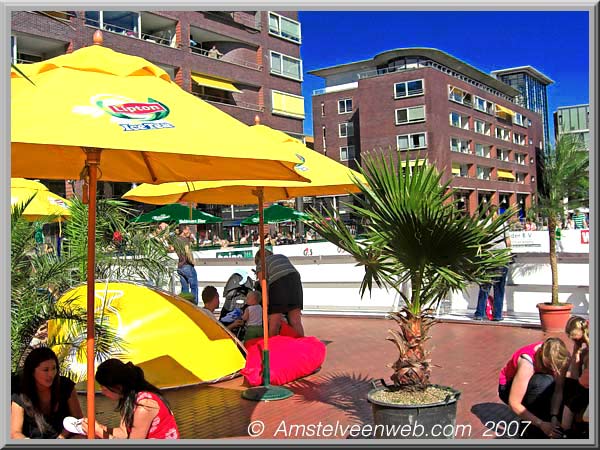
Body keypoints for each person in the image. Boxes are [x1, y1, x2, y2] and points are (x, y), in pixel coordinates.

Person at [82, 359, 179, 439]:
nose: (103, 392)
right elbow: (123, 433)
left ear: (118, 387)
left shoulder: (144, 406)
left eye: (104, 388)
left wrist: (99, 432)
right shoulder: (128, 399)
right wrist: (100, 428)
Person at [498, 337, 570, 438]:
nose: (554, 369)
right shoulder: (526, 364)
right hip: (508, 388)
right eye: (550, 366)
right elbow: (514, 403)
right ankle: (528, 428)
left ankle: (544, 419)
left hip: (534, 382)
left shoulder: (563, 358)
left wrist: (554, 415)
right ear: (542, 358)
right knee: (544, 383)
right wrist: (541, 424)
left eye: (557, 367)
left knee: (557, 385)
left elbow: (558, 390)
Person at [11, 347, 83, 439]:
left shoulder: (65, 386)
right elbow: (15, 432)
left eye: (54, 368)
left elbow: (78, 419)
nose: (51, 374)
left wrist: (62, 437)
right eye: (46, 370)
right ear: (32, 372)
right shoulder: (20, 392)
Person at [255, 248, 304, 337]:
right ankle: (301, 344)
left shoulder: (261, 263)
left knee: (275, 320)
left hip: (278, 282)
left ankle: (273, 345)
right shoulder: (281, 256)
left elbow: (264, 285)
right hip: (295, 279)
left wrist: (267, 305)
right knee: (295, 320)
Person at [474, 206, 512, 321]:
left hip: (488, 259)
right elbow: (508, 242)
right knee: (499, 289)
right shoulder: (503, 224)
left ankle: (480, 313)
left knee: (484, 287)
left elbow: (478, 241)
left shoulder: (483, 224)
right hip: (502, 259)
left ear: (487, 212)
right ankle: (497, 315)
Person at [560, 316, 589, 437]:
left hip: (588, 383)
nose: (576, 342)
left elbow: (580, 378)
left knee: (570, 403)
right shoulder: (585, 350)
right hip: (587, 383)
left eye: (577, 340)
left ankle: (565, 433)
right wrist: (576, 350)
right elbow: (575, 375)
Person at [173, 225, 198, 304]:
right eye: (188, 229)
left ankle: (184, 306)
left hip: (180, 266)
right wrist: (192, 261)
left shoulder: (176, 240)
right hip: (187, 265)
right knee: (194, 287)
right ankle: (195, 306)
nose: (190, 231)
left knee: (184, 289)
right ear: (184, 230)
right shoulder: (185, 240)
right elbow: (187, 251)